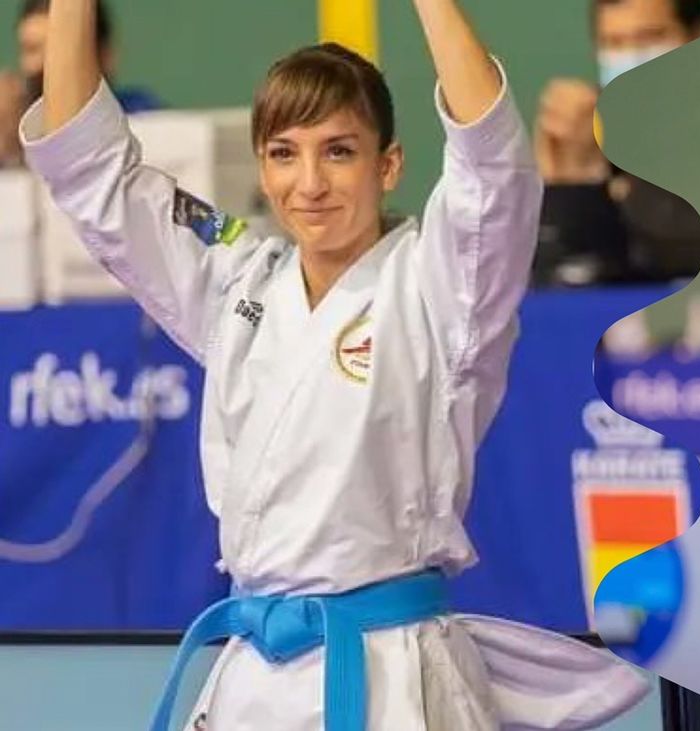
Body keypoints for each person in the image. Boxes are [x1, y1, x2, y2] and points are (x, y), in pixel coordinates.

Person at [21, 0, 646, 729]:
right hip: (253, 676)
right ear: (262, 169)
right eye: (284, 154)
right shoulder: (239, 283)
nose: (310, 183)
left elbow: (493, 164)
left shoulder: (441, 289)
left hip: (389, 674)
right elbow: (92, 170)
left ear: (389, 164)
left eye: (339, 151)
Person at [532, 0, 700, 286]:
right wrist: (560, 189)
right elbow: (550, 275)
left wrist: (593, 187)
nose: (631, 57)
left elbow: (691, 252)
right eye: (614, 43)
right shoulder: (581, 128)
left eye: (650, 37)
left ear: (698, 36)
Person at [1, 0, 157, 167]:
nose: (44, 66)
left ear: (105, 55)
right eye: (32, 49)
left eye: (58, 50)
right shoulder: (12, 128)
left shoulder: (144, 117)